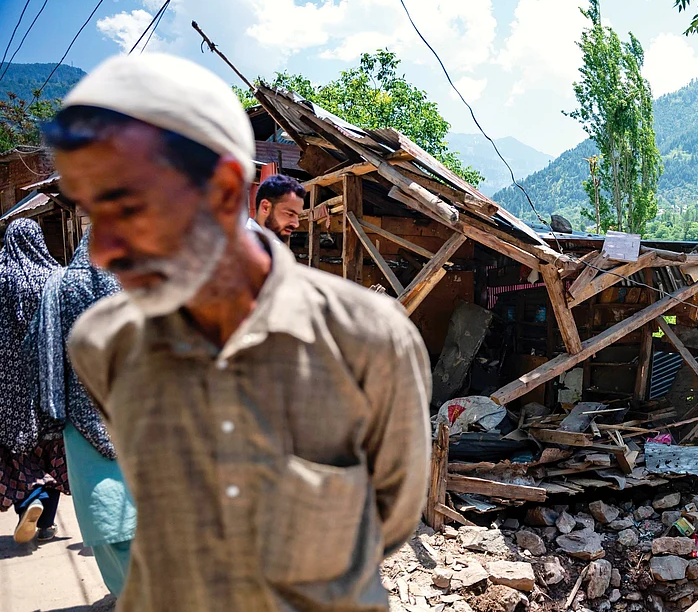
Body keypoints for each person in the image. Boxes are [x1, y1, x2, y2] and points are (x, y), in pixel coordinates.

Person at [45, 52, 432, 611]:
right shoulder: (103, 344)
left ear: (228, 191)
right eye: (91, 215)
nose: (102, 251)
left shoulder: (368, 340)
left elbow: (391, 518)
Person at [30, 231, 136, 594]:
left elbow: (46, 352)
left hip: (80, 419)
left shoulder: (59, 286)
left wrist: (53, 409)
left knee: (102, 512)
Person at [0, 218, 68, 544]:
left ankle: (30, 501)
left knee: (15, 451)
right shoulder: (55, 278)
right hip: (50, 381)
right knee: (51, 449)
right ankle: (47, 523)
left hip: (9, 385)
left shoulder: (1, 277)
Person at [252, 174, 305, 241]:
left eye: (298, 216)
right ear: (265, 207)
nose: (296, 224)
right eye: (290, 214)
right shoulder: (243, 244)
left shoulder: (270, 244)